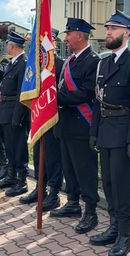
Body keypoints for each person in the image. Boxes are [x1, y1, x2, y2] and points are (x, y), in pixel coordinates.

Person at [89, 11, 130, 256]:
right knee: (110, 185)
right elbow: (98, 101)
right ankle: (113, 227)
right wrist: (94, 131)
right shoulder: (104, 63)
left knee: (123, 188)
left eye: (114, 28)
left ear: (126, 32)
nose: (109, 32)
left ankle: (125, 236)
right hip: (105, 132)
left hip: (125, 135)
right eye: (108, 28)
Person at [50, 19, 101, 234]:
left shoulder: (93, 61)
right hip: (66, 125)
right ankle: (72, 203)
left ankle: (90, 211)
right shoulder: (70, 60)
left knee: (85, 170)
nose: (66, 37)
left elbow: (86, 93)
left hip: (82, 126)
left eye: (69, 33)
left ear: (80, 35)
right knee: (69, 167)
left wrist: (56, 98)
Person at [20, 28, 64, 212]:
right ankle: (39, 188)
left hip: (52, 117)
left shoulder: (59, 64)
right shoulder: (34, 65)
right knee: (39, 155)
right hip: (37, 116)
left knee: (53, 157)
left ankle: (54, 192)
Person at [0, 32, 30, 197]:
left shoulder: (23, 63)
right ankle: (11, 176)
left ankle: (21, 182)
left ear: (13, 46)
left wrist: (18, 116)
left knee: (19, 148)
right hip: (6, 110)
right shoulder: (11, 63)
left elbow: (23, 93)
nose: (6, 46)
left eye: (8, 43)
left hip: (15, 112)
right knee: (9, 147)